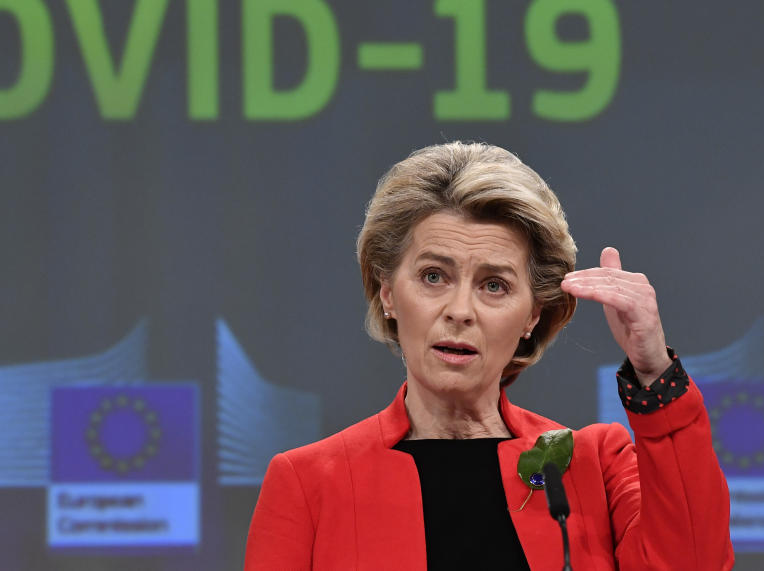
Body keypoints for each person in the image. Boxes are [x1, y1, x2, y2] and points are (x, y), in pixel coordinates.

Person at [244, 142, 733, 570]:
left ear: (532, 316)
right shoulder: (309, 484)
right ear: (387, 291)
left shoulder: (591, 467)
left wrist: (654, 371)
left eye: (494, 285)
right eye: (434, 276)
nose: (460, 311)